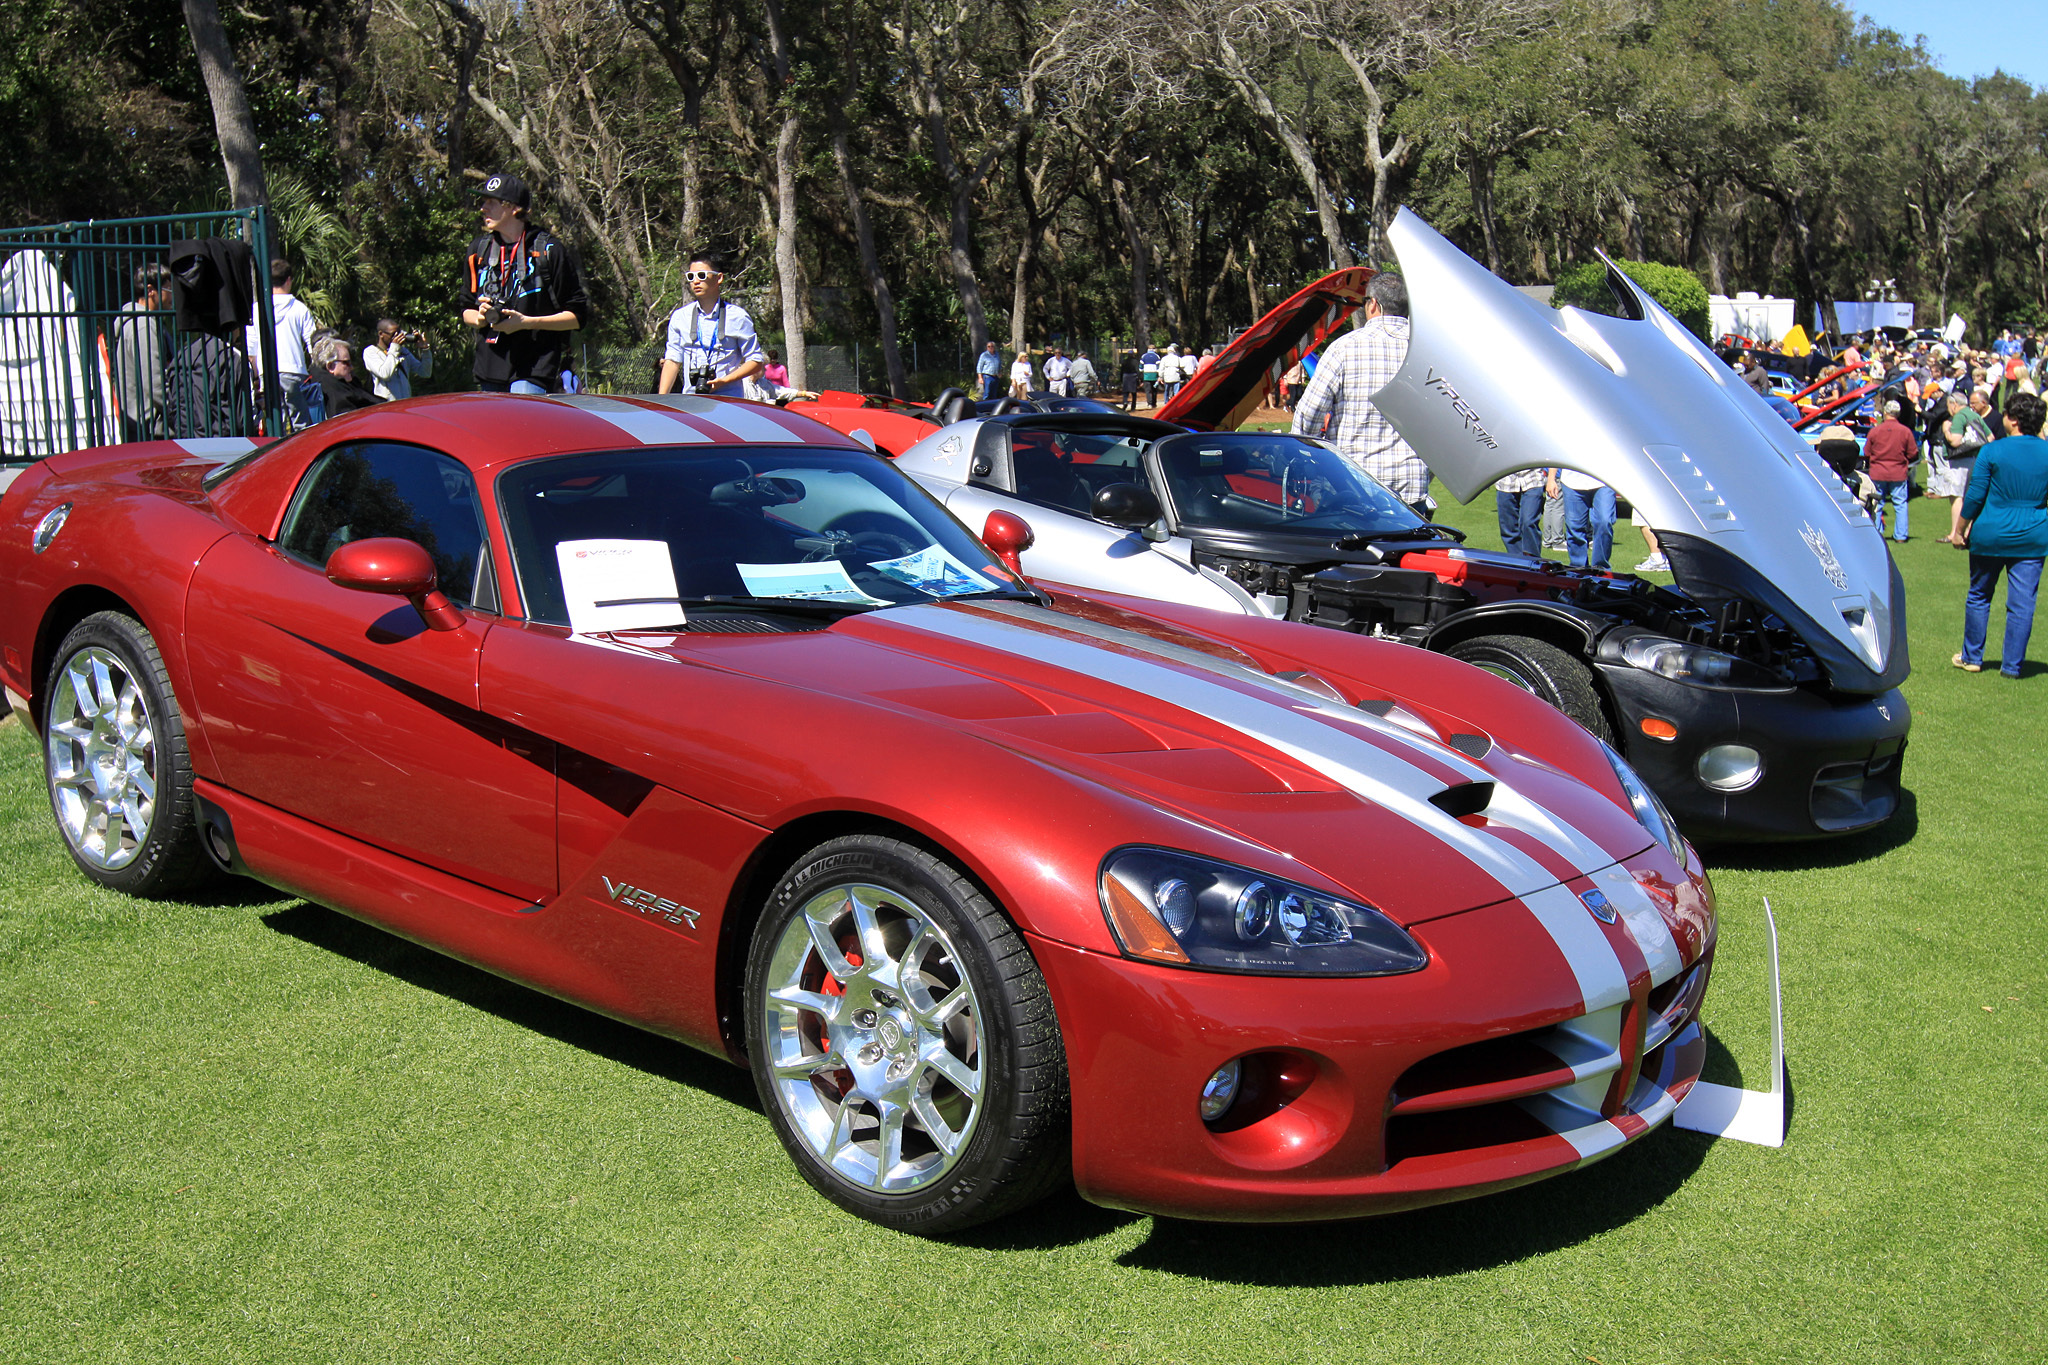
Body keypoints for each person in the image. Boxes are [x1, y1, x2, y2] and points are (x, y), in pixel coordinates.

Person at [1291, 271, 1432, 519]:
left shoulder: (1345, 347)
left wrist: (1303, 460)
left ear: (1374, 304)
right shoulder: (1429, 351)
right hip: (1411, 489)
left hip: (1354, 485)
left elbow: (1309, 413)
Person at [461, 171, 592, 394]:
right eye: (483, 202)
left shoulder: (549, 250)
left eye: (491, 202)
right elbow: (466, 309)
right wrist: (481, 318)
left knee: (520, 425)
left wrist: (526, 322)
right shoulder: (478, 251)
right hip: (489, 368)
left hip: (534, 368)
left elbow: (577, 317)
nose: (483, 208)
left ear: (513, 208)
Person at [1953, 391, 2048, 677]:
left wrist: (1959, 530)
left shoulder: (1992, 451)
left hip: (1991, 531)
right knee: (2022, 603)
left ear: (2014, 420)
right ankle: (2012, 666)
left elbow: (1974, 497)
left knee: (1980, 595)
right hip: (2032, 534)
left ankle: (1972, 657)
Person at [657, 250, 765, 397]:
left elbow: (755, 360)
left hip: (728, 402)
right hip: (691, 400)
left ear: (718, 278)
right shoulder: (680, 317)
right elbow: (672, 361)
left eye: (701, 275)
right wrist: (661, 399)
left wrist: (724, 381)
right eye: (691, 276)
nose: (695, 281)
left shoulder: (738, 316)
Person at [254, 259, 321, 428]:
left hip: (267, 371)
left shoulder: (257, 309)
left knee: (277, 422)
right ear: (289, 280)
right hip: (294, 370)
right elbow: (313, 342)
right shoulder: (299, 308)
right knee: (301, 422)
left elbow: (251, 346)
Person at [109, 263, 171, 441]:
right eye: (168, 289)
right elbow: (154, 382)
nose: (172, 296)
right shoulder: (143, 324)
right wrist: (178, 411)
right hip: (150, 427)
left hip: (138, 423)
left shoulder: (140, 322)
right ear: (151, 290)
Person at [1934, 390, 1994, 545]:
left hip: (1960, 461)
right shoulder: (1974, 415)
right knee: (1969, 495)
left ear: (1954, 404)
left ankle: (1955, 533)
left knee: (1956, 497)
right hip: (1975, 459)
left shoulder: (1959, 416)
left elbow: (1955, 441)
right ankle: (1968, 530)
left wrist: (1946, 429)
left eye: (1949, 405)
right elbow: (1990, 437)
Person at [1865, 399, 1919, 542]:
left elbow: (1866, 451)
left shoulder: (1875, 431)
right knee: (1900, 504)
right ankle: (1901, 536)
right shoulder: (1905, 431)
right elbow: (1913, 452)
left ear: (1885, 412)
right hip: (1898, 472)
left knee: (1878, 504)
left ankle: (1877, 534)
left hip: (1878, 471)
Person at [1548, 467, 1616, 568]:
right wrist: (1551, 478)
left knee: (1604, 522)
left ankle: (1601, 568)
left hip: (1604, 479)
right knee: (1574, 527)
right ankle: (1578, 568)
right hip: (1572, 481)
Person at [310, 335, 382, 418]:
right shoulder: (334, 390)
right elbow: (348, 420)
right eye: (347, 363)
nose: (351, 367)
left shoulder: (344, 383)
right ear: (330, 367)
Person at [363, 318, 432, 402]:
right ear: (381, 334)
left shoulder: (402, 351)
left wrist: (425, 349)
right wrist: (394, 348)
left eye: (399, 333)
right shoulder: (371, 352)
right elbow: (385, 374)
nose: (397, 337)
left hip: (405, 404)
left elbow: (425, 372)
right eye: (393, 334)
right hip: (386, 407)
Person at [1494, 468, 1544, 558]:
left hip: (1533, 479)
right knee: (1508, 528)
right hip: (1505, 482)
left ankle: (1533, 561)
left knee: (1528, 522)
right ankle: (1517, 561)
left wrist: (1551, 478)